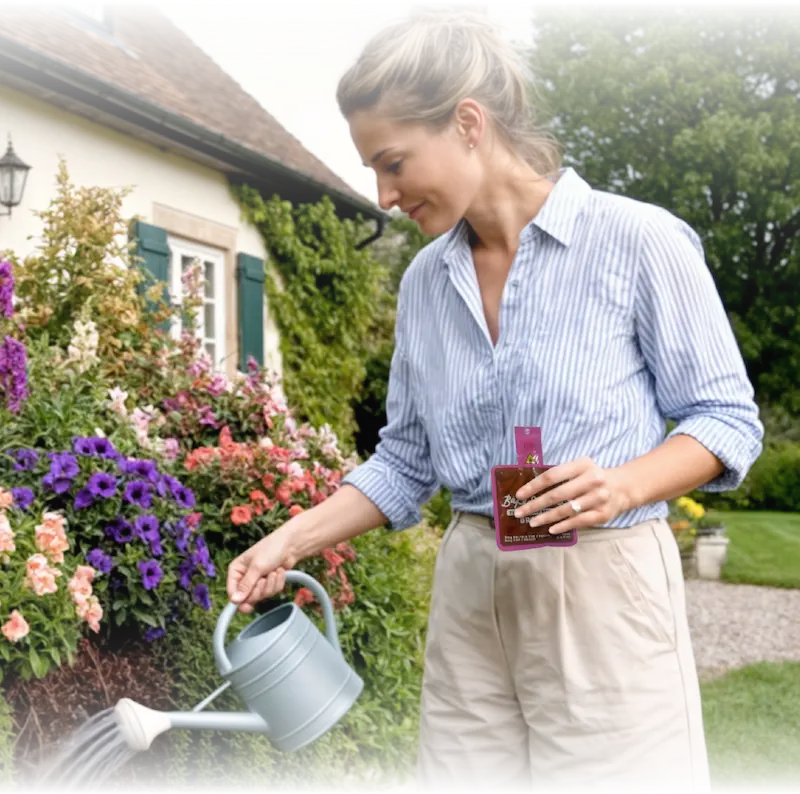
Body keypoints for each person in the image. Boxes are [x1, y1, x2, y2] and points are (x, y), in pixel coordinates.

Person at [227, 2, 764, 791]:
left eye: (394, 163)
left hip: (602, 583)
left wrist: (624, 485)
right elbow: (405, 463)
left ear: (469, 124)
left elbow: (726, 419)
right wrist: (288, 541)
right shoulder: (424, 282)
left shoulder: (637, 241)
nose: (383, 194)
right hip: (473, 585)